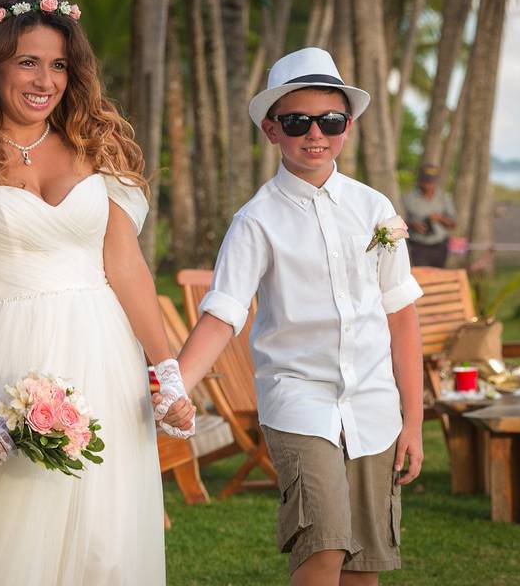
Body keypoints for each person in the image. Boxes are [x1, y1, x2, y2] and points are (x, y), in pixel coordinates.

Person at [0, 0, 194, 585]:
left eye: (59, 65)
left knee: (103, 533)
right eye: (28, 62)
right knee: (5, 530)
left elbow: (128, 268)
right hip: (0, 354)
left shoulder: (97, 148)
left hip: (103, 359)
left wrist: (167, 371)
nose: (45, 80)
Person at [161, 48, 425, 585]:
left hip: (375, 406)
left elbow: (401, 319)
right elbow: (222, 316)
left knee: (364, 565)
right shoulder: (256, 220)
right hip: (300, 400)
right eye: (297, 121)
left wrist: (414, 422)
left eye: (330, 121)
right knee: (323, 546)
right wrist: (174, 387)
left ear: (347, 126)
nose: (315, 133)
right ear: (270, 129)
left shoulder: (375, 210)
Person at [402, 165, 456, 267]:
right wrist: (413, 225)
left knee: (438, 276)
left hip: (439, 245)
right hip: (417, 246)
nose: (428, 185)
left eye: (431, 182)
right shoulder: (408, 198)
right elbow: (399, 222)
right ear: (419, 180)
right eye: (425, 181)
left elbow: (453, 224)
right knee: (421, 277)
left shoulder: (444, 198)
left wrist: (440, 218)